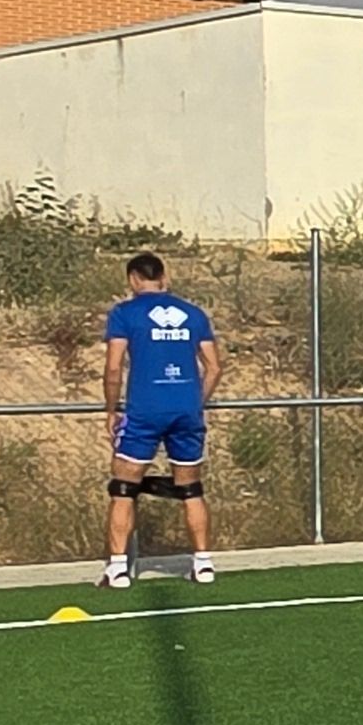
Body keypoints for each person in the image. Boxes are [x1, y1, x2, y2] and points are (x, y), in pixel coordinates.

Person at [98, 250, 219, 589]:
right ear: (164, 278)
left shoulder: (124, 313)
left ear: (133, 280)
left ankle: (118, 569)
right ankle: (203, 564)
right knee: (190, 487)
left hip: (144, 410)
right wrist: (196, 401)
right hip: (186, 411)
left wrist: (111, 409)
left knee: (123, 487)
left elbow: (112, 367)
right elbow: (214, 367)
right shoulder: (193, 314)